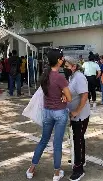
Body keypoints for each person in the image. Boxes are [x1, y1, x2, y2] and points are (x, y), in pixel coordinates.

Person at [26, 49, 72, 181]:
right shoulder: (60, 77)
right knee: (57, 144)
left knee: (43, 141)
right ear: (58, 60)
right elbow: (69, 98)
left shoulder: (45, 75)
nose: (63, 60)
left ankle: (31, 169)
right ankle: (57, 173)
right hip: (59, 113)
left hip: (47, 112)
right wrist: (63, 94)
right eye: (62, 58)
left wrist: (62, 94)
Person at [64, 56, 90, 181]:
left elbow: (84, 95)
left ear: (74, 66)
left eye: (66, 66)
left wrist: (76, 111)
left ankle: (78, 169)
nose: (65, 68)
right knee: (78, 139)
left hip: (80, 115)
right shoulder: (72, 77)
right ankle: (80, 159)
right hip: (75, 115)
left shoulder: (79, 77)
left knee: (77, 140)